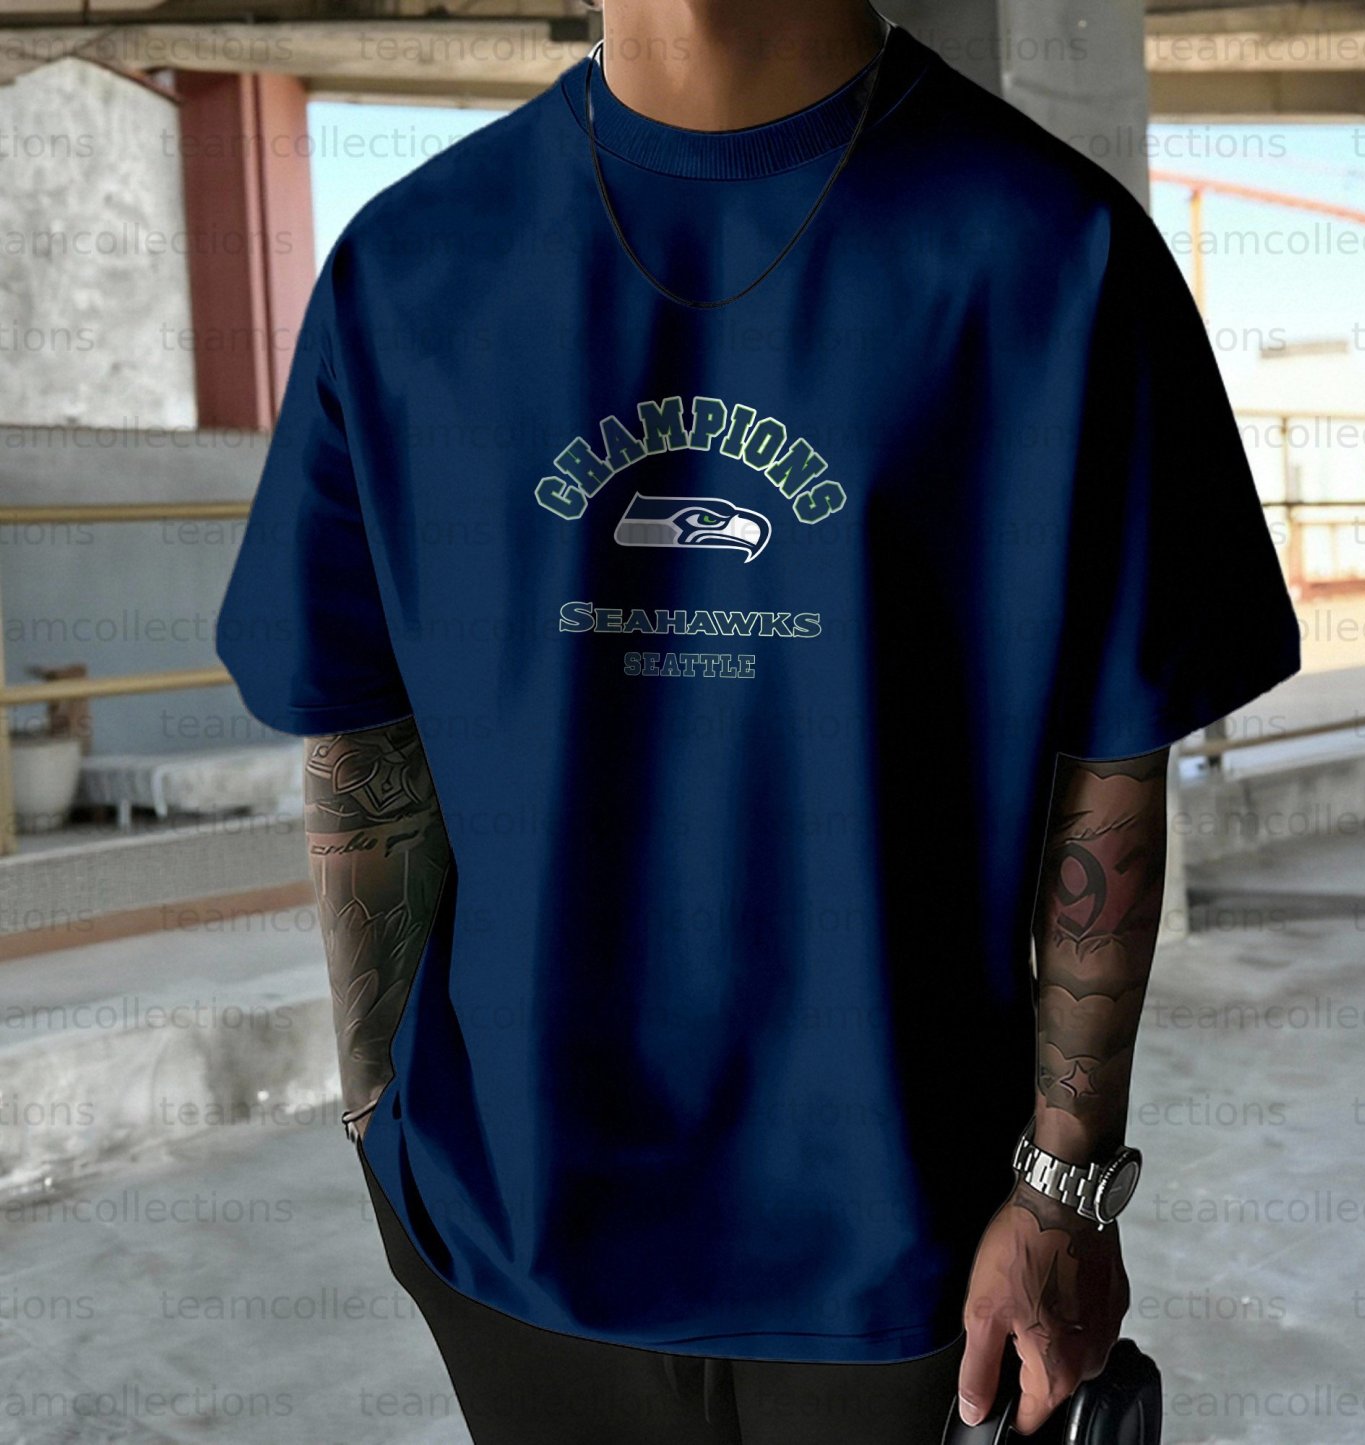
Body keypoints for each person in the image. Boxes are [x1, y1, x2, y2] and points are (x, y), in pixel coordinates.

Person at [215, 2, 1301, 1441]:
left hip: (918, 1255)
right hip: (506, 1237)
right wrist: (380, 1125)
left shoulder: (1058, 257)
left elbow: (1111, 763)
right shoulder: (407, 269)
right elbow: (361, 743)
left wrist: (1063, 1189)